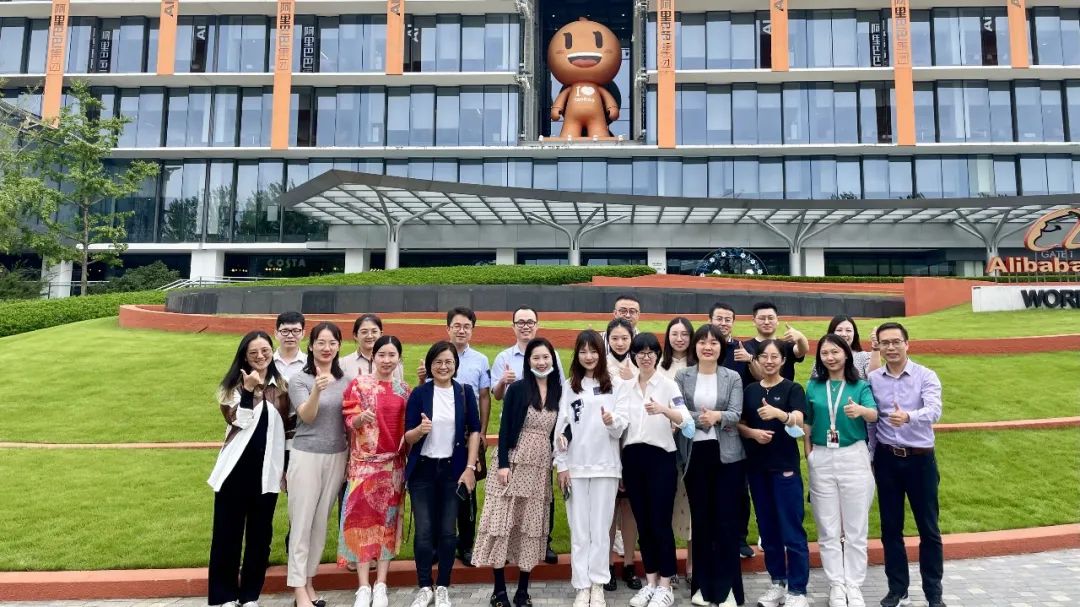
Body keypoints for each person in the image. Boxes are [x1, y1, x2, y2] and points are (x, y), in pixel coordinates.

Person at [473, 337, 563, 607]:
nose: (541, 362)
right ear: (528, 361)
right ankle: (499, 590)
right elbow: (504, 431)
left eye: (545, 357)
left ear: (552, 359)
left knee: (529, 527)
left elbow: (565, 425)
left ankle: (523, 590)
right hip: (512, 462)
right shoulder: (519, 389)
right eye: (536, 358)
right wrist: (503, 464)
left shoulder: (559, 391)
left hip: (539, 467)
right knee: (502, 524)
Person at [207, 331, 290, 607]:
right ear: (244, 356)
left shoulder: (282, 387)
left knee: (259, 538)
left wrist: (287, 468)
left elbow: (289, 430)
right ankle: (224, 597)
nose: (260, 356)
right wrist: (247, 390)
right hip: (235, 473)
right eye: (253, 352)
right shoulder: (231, 387)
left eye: (265, 350)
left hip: (267, 474)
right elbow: (238, 421)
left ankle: (250, 596)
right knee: (227, 537)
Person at [868, 323, 945, 607]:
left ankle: (934, 593)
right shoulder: (873, 379)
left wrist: (909, 417)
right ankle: (897, 589)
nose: (890, 347)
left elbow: (934, 410)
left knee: (929, 529)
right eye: (885, 343)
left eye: (896, 341)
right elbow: (872, 422)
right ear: (878, 346)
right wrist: (871, 456)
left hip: (920, 459)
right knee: (890, 528)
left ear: (907, 344)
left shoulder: (926, 375)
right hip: (887, 459)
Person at [404, 342, 483, 607]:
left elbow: (474, 430)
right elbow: (407, 436)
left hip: (453, 470)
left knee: (448, 531)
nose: (443, 366)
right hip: (423, 470)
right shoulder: (419, 393)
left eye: (448, 361)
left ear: (455, 365)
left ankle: (443, 586)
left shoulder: (464, 392)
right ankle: (425, 585)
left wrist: (469, 468)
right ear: (430, 365)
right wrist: (420, 431)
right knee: (425, 531)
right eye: (437, 361)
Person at [554, 330, 629, 607]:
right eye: (583, 351)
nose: (588, 356)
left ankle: (597, 583)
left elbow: (622, 425)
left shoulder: (616, 385)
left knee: (600, 530)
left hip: (606, 467)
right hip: (575, 467)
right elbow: (561, 427)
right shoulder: (569, 386)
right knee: (579, 530)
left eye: (594, 351)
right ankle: (581, 585)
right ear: (577, 354)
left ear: (601, 353)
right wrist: (562, 465)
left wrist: (611, 421)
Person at [805, 334, 879, 607]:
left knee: (856, 527)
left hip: (853, 456)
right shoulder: (813, 386)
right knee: (828, 527)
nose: (830, 357)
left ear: (846, 354)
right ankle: (836, 584)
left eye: (835, 352)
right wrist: (809, 454)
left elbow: (874, 414)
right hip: (822, 456)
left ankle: (854, 584)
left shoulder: (860, 385)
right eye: (825, 353)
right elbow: (808, 423)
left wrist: (861, 411)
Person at [673, 325, 745, 607]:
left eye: (714, 342)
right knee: (701, 522)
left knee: (725, 522)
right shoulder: (683, 376)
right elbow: (679, 411)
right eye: (702, 341)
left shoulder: (732, 377)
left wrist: (717, 416)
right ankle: (702, 588)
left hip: (727, 455)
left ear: (721, 347)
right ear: (695, 346)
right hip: (696, 455)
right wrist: (702, 418)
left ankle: (728, 590)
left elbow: (735, 413)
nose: (708, 346)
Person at [620, 333, 693, 607]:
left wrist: (664, 410)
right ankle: (650, 581)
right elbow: (620, 426)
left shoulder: (668, 385)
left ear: (658, 355)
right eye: (640, 352)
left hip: (660, 457)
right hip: (632, 457)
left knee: (660, 522)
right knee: (643, 522)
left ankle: (666, 583)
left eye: (651, 352)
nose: (646, 357)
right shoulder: (625, 388)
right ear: (633, 356)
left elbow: (686, 420)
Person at [339, 335, 411, 607]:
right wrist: (359, 419)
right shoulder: (359, 385)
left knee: (387, 524)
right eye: (382, 355)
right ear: (373, 357)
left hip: (393, 466)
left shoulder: (404, 390)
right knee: (361, 523)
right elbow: (348, 419)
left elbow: (408, 429)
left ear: (399, 358)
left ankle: (381, 584)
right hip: (364, 465)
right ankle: (363, 586)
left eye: (392, 355)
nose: (386, 360)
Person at [417, 307, 493, 568]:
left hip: (467, 432)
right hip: (439, 433)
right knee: (439, 491)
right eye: (457, 326)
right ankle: (438, 545)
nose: (461, 330)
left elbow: (484, 397)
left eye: (467, 326)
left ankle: (467, 545)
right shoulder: (437, 355)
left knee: (466, 490)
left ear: (472, 329)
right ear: (448, 328)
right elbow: (424, 395)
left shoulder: (480, 359)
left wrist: (482, 432)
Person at [739, 340, 811, 607]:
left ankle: (798, 590)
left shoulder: (792, 388)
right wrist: (753, 433)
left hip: (784, 468)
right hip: (757, 469)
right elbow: (740, 424)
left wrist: (779, 414)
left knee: (791, 530)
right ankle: (778, 583)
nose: (769, 361)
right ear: (757, 360)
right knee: (768, 530)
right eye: (764, 357)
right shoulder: (750, 390)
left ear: (783, 360)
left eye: (774, 356)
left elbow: (799, 419)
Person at [490, 305, 562, 565]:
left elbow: (559, 393)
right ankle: (509, 544)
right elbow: (497, 396)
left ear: (537, 324)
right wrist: (503, 381)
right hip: (516, 436)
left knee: (541, 496)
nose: (525, 326)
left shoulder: (551, 355)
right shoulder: (504, 357)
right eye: (520, 322)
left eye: (530, 321)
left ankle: (543, 541)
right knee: (512, 497)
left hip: (542, 437)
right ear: (513, 326)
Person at [286, 322, 350, 607]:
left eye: (332, 343)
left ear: (339, 346)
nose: (327, 348)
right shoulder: (299, 379)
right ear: (310, 346)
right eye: (321, 342)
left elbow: (348, 421)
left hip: (337, 455)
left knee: (320, 523)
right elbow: (307, 416)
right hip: (306, 455)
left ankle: (309, 582)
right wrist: (317, 391)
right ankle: (298, 588)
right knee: (301, 523)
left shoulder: (346, 380)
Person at [710, 302, 756, 561]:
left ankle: (739, 538)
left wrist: (750, 360)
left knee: (739, 486)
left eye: (728, 319)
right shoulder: (703, 347)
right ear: (710, 320)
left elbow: (759, 379)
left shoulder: (742, 349)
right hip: (707, 426)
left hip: (737, 426)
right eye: (719, 318)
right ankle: (715, 536)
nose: (724, 323)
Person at [604, 317, 642, 592]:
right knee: (608, 509)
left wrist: (633, 379)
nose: (619, 343)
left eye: (625, 338)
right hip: (606, 445)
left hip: (634, 444)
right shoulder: (599, 366)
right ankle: (606, 565)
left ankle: (629, 563)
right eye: (615, 338)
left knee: (629, 509)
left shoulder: (641, 365)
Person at [657, 317, 695, 589]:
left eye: (684, 334)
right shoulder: (659, 365)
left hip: (691, 443)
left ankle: (692, 565)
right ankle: (667, 566)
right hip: (662, 443)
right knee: (665, 507)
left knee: (692, 506)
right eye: (674, 334)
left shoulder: (698, 365)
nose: (679, 339)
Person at [741, 302, 809, 386]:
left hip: (784, 392)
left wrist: (800, 337)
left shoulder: (786, 346)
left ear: (777, 320)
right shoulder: (744, 347)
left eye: (770, 318)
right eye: (762, 318)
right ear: (754, 321)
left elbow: (802, 351)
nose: (766, 322)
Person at [810, 316, 881, 380]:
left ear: (854, 334)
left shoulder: (864, 357)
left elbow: (875, 378)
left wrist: (876, 348)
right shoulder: (823, 359)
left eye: (848, 330)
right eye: (839, 330)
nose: (844, 334)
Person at [343, 314, 404, 382]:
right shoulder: (344, 363)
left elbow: (398, 385)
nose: (369, 336)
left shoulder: (392, 361)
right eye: (364, 332)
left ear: (381, 334)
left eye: (374, 331)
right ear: (355, 335)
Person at [274, 311, 308, 382]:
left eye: (295, 331)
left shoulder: (309, 363)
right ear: (276, 334)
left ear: (303, 334)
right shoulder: (266, 362)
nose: (290, 336)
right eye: (285, 331)